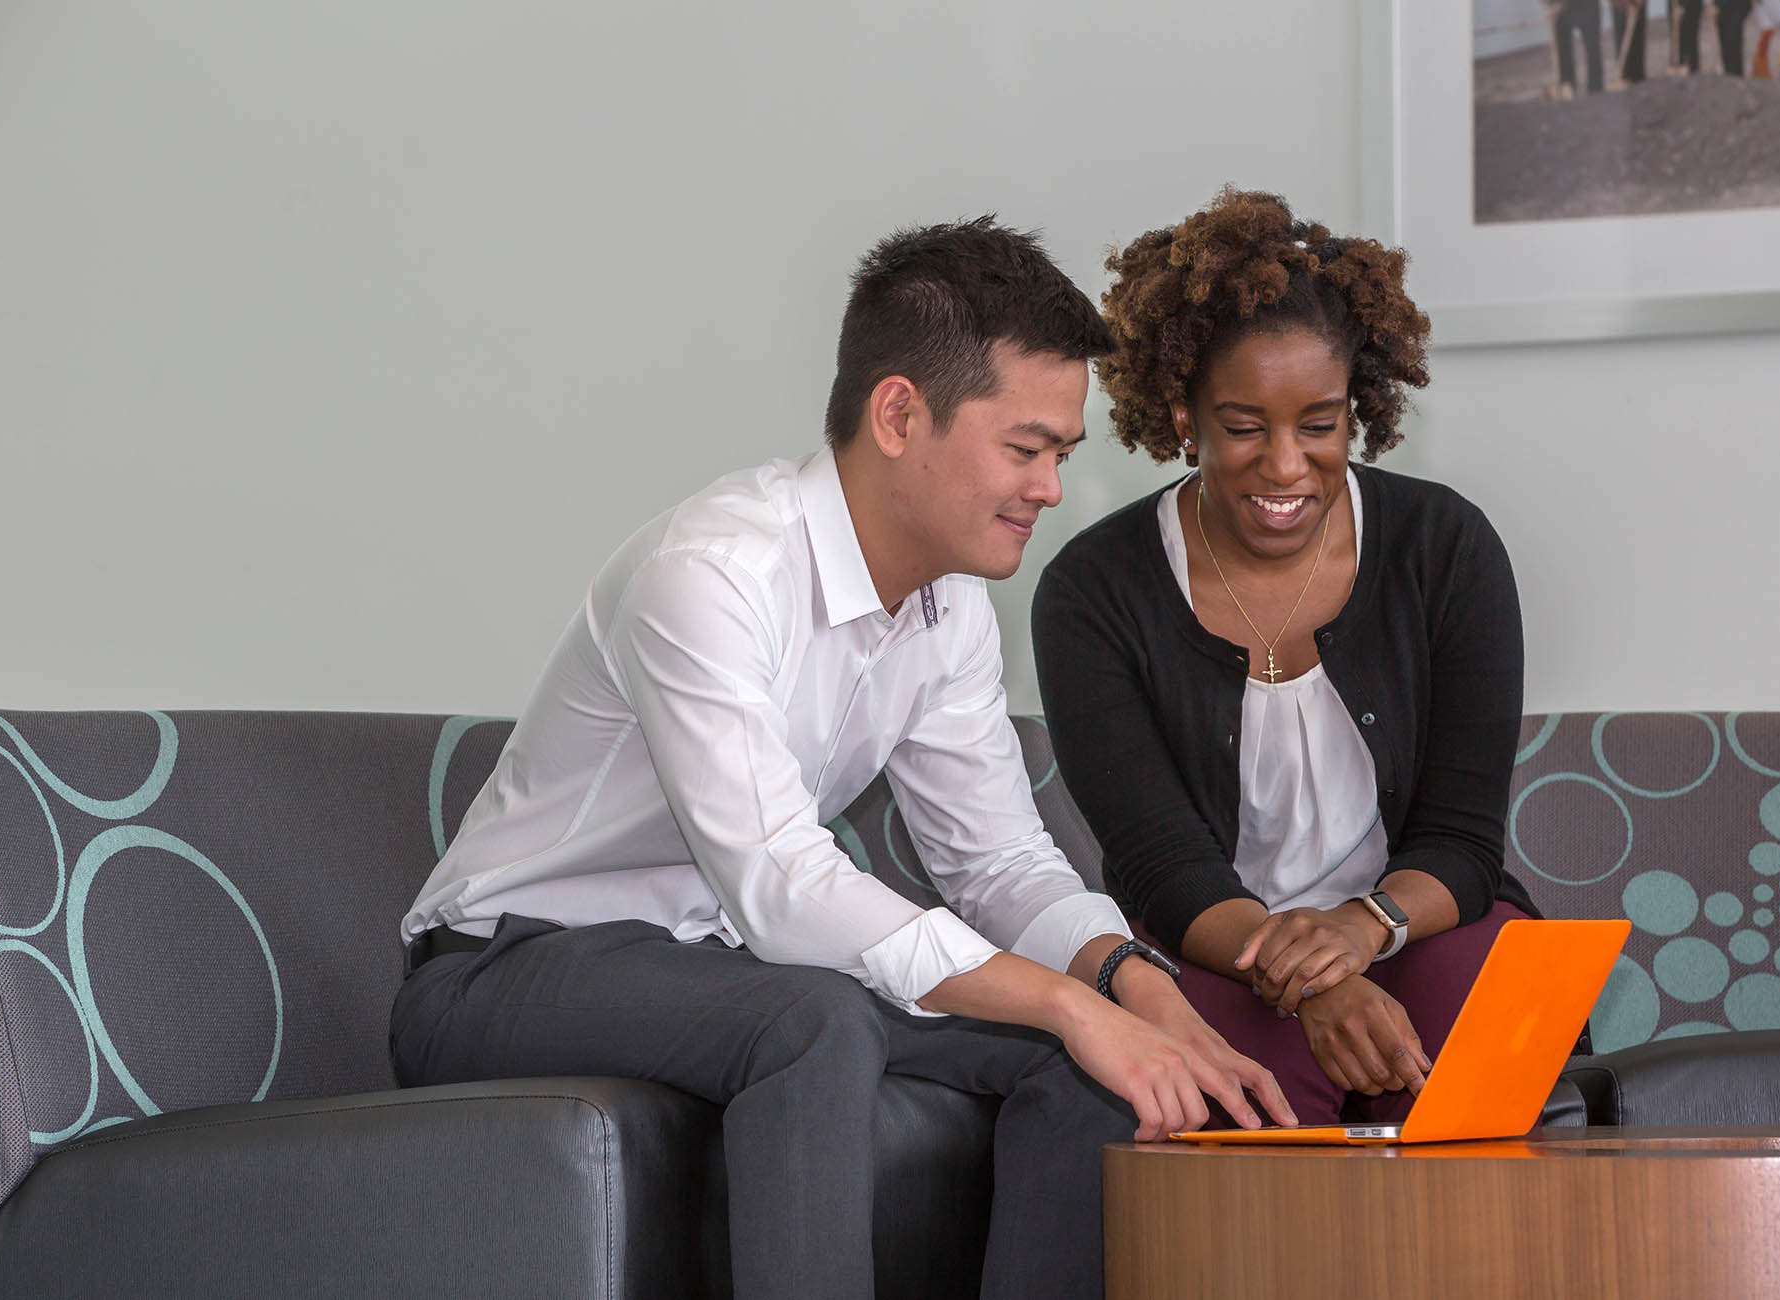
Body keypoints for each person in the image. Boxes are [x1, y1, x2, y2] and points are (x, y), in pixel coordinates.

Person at [392, 216, 1294, 1300]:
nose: (1050, 488)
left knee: (1084, 1069)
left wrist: (1129, 988)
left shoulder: (951, 604)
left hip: (715, 974)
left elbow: (1000, 861)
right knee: (814, 1015)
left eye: (1061, 453)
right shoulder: (713, 573)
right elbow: (782, 886)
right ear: (900, 412)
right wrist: (1063, 998)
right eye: (1025, 448)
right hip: (502, 970)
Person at [1032, 188, 1540, 1130]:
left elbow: (1464, 841)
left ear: (1359, 410)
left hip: (1415, 924)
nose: (1285, 467)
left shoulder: (1447, 549)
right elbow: (1158, 865)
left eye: (1319, 425)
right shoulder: (1092, 590)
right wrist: (1312, 984)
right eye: (1243, 427)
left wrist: (1358, 932)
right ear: (1181, 412)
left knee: (1488, 1070)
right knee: (1233, 1113)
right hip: (1212, 944)